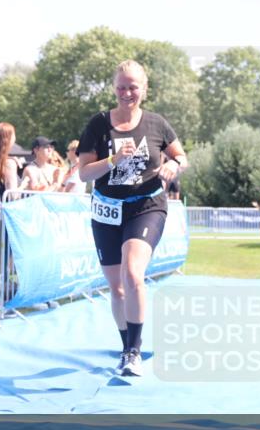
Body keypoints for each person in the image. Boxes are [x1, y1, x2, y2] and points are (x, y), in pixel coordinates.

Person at [77, 59, 188, 377]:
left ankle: (134, 351)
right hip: (108, 210)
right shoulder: (98, 124)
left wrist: (174, 165)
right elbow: (84, 171)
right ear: (114, 89)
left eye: (133, 87)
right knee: (118, 288)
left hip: (146, 205)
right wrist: (112, 159)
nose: (127, 93)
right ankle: (127, 345)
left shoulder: (157, 124)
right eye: (121, 87)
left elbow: (181, 155)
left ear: (144, 89)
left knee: (133, 273)